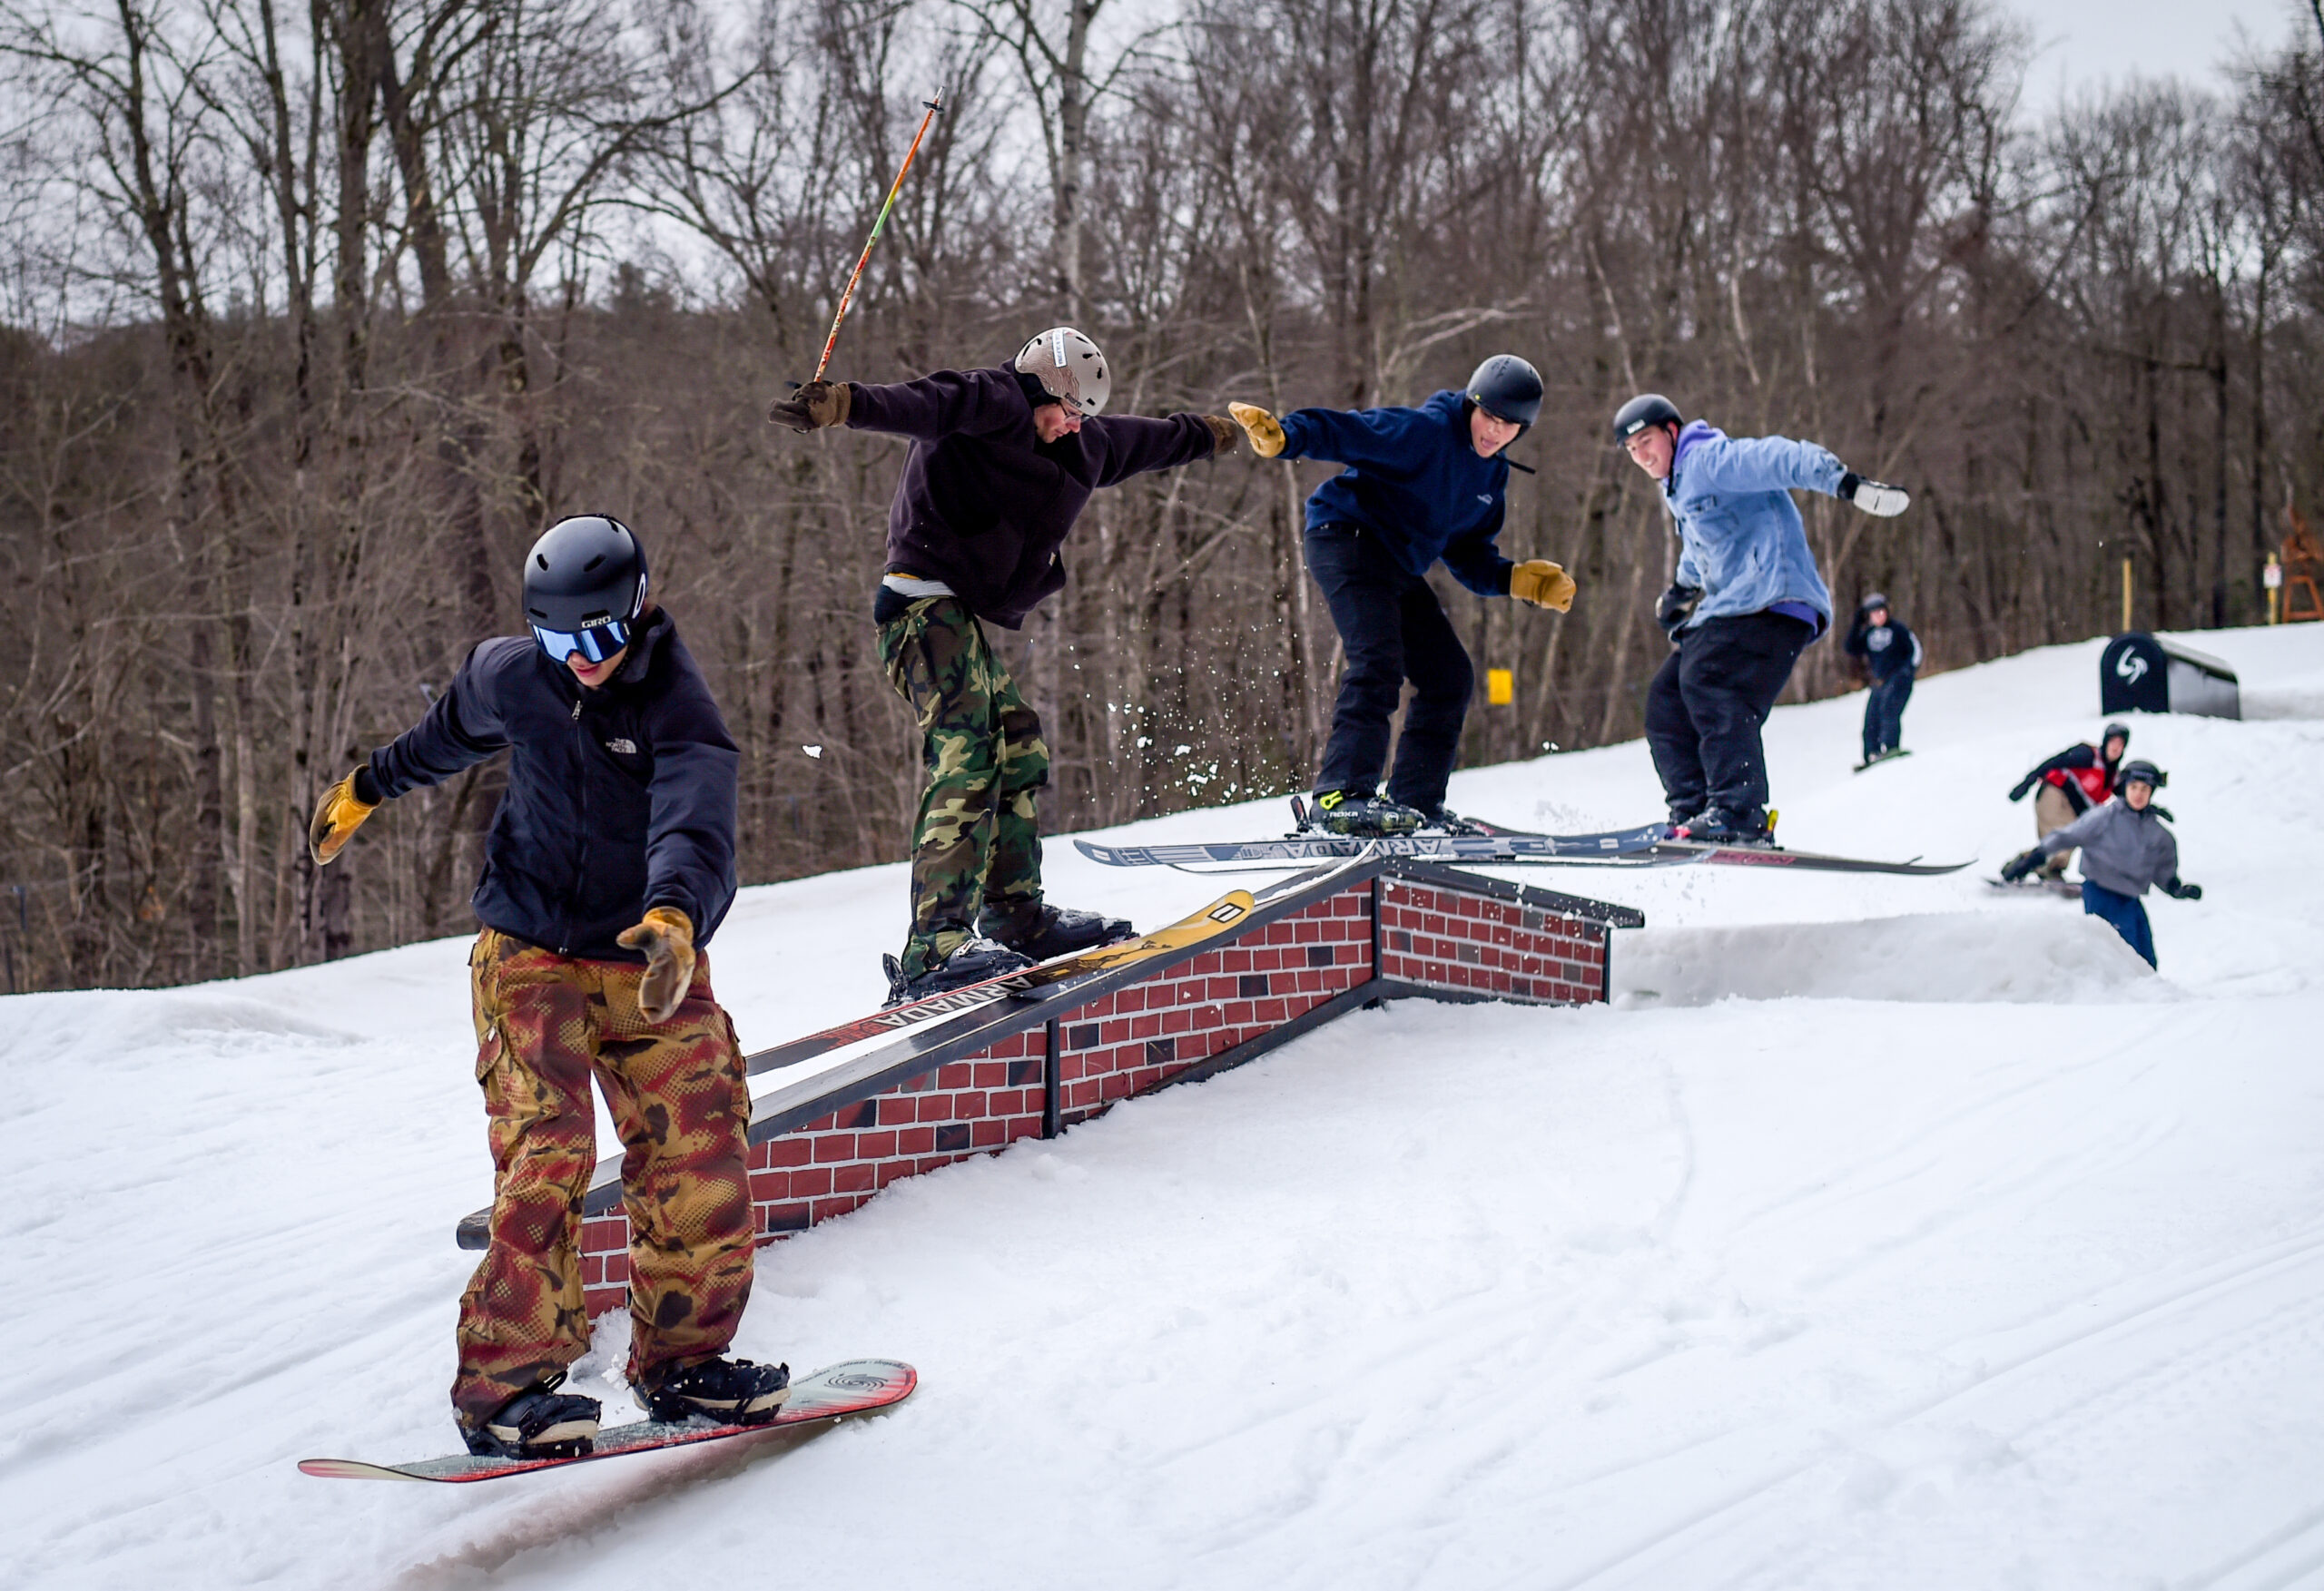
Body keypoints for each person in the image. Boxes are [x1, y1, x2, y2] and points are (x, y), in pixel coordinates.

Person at [305, 514, 789, 1458]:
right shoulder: (512, 675)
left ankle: (683, 1364)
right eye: (560, 642)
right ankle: (505, 1387)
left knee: (701, 1145)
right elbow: (445, 735)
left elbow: (696, 822)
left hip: (652, 954)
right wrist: (366, 787)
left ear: (636, 612)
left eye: (600, 638)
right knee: (550, 1147)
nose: (582, 661)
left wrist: (676, 917)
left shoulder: (676, 707)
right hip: (529, 947)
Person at [769, 328, 1239, 1003]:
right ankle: (935, 943)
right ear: (1037, 387)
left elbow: (1149, 441)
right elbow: (924, 405)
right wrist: (841, 404)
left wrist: (1213, 433)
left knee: (1019, 743)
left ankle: (1016, 916)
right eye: (1065, 411)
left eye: (1082, 418)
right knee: (968, 746)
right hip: (916, 608)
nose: (1069, 428)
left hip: (958, 618)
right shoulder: (991, 400)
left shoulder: (1082, 445)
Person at [1227, 356, 1576, 836]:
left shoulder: (1491, 477)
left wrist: (1520, 581)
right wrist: (1286, 436)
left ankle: (1417, 802)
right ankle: (1340, 796)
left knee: (1450, 676)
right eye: (1489, 418)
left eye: (1510, 425)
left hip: (1396, 563)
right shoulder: (1427, 431)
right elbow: (1351, 432)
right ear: (1472, 404)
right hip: (1346, 536)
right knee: (1378, 661)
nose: (1495, 433)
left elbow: (1468, 553)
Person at [1612, 393, 1909, 843]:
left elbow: (1779, 457)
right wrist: (1682, 590)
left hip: (1773, 598)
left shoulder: (1710, 459)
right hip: (1731, 608)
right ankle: (1695, 809)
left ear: (1672, 433)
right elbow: (1700, 545)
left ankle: (1738, 811)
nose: (1643, 457)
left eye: (1647, 442)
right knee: (1665, 701)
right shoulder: (1677, 487)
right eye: (1632, 451)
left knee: (1708, 679)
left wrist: (1844, 484)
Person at [1999, 759, 2200, 968]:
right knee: (2118, 957)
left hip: (2131, 900)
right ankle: (2113, 997)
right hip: (2101, 894)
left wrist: (2176, 888)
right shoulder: (2105, 817)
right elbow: (2066, 836)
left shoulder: (2158, 833)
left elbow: (2162, 869)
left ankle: (2147, 999)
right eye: (2133, 787)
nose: (2138, 794)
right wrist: (2034, 858)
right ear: (2124, 788)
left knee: (2146, 960)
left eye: (2144, 789)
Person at [2007, 722, 2131, 883]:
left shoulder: (2113, 777)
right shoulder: (2088, 755)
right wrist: (2027, 782)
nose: (2116, 747)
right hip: (2055, 794)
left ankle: (2022, 865)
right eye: (2113, 742)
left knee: (2067, 840)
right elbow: (2054, 762)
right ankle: (2048, 870)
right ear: (2105, 742)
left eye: (2120, 744)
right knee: (2060, 840)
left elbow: (2130, 797)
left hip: (2073, 811)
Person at [1843, 592, 1921, 770]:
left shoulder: (1898, 629)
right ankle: (1872, 753)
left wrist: (1906, 670)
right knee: (1871, 718)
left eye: (1881, 612)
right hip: (1878, 682)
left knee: (1889, 709)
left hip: (1899, 678)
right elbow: (1850, 647)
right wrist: (1857, 621)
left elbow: (1914, 651)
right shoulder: (1868, 633)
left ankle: (1891, 747)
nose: (1878, 616)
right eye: (1874, 613)